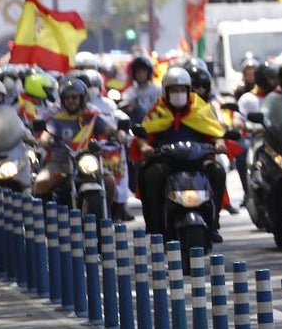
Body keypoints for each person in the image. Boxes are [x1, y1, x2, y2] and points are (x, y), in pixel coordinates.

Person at [137, 67, 228, 242]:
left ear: (188, 91)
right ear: (166, 92)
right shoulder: (157, 111)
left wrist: (219, 143)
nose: (178, 94)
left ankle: (214, 221)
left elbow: (214, 132)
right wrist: (144, 146)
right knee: (151, 174)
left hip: (197, 161)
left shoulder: (200, 109)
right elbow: (145, 135)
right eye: (174, 90)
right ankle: (156, 222)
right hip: (166, 162)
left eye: (181, 90)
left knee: (217, 171)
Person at [33, 77, 118, 200]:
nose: (70, 101)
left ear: (82, 99)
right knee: (41, 183)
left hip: (87, 162)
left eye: (74, 97)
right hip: (61, 163)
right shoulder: (57, 119)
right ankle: (44, 216)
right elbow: (48, 132)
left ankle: (108, 214)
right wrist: (44, 139)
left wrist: (118, 135)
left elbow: (109, 129)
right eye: (67, 98)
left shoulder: (90, 117)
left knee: (109, 182)